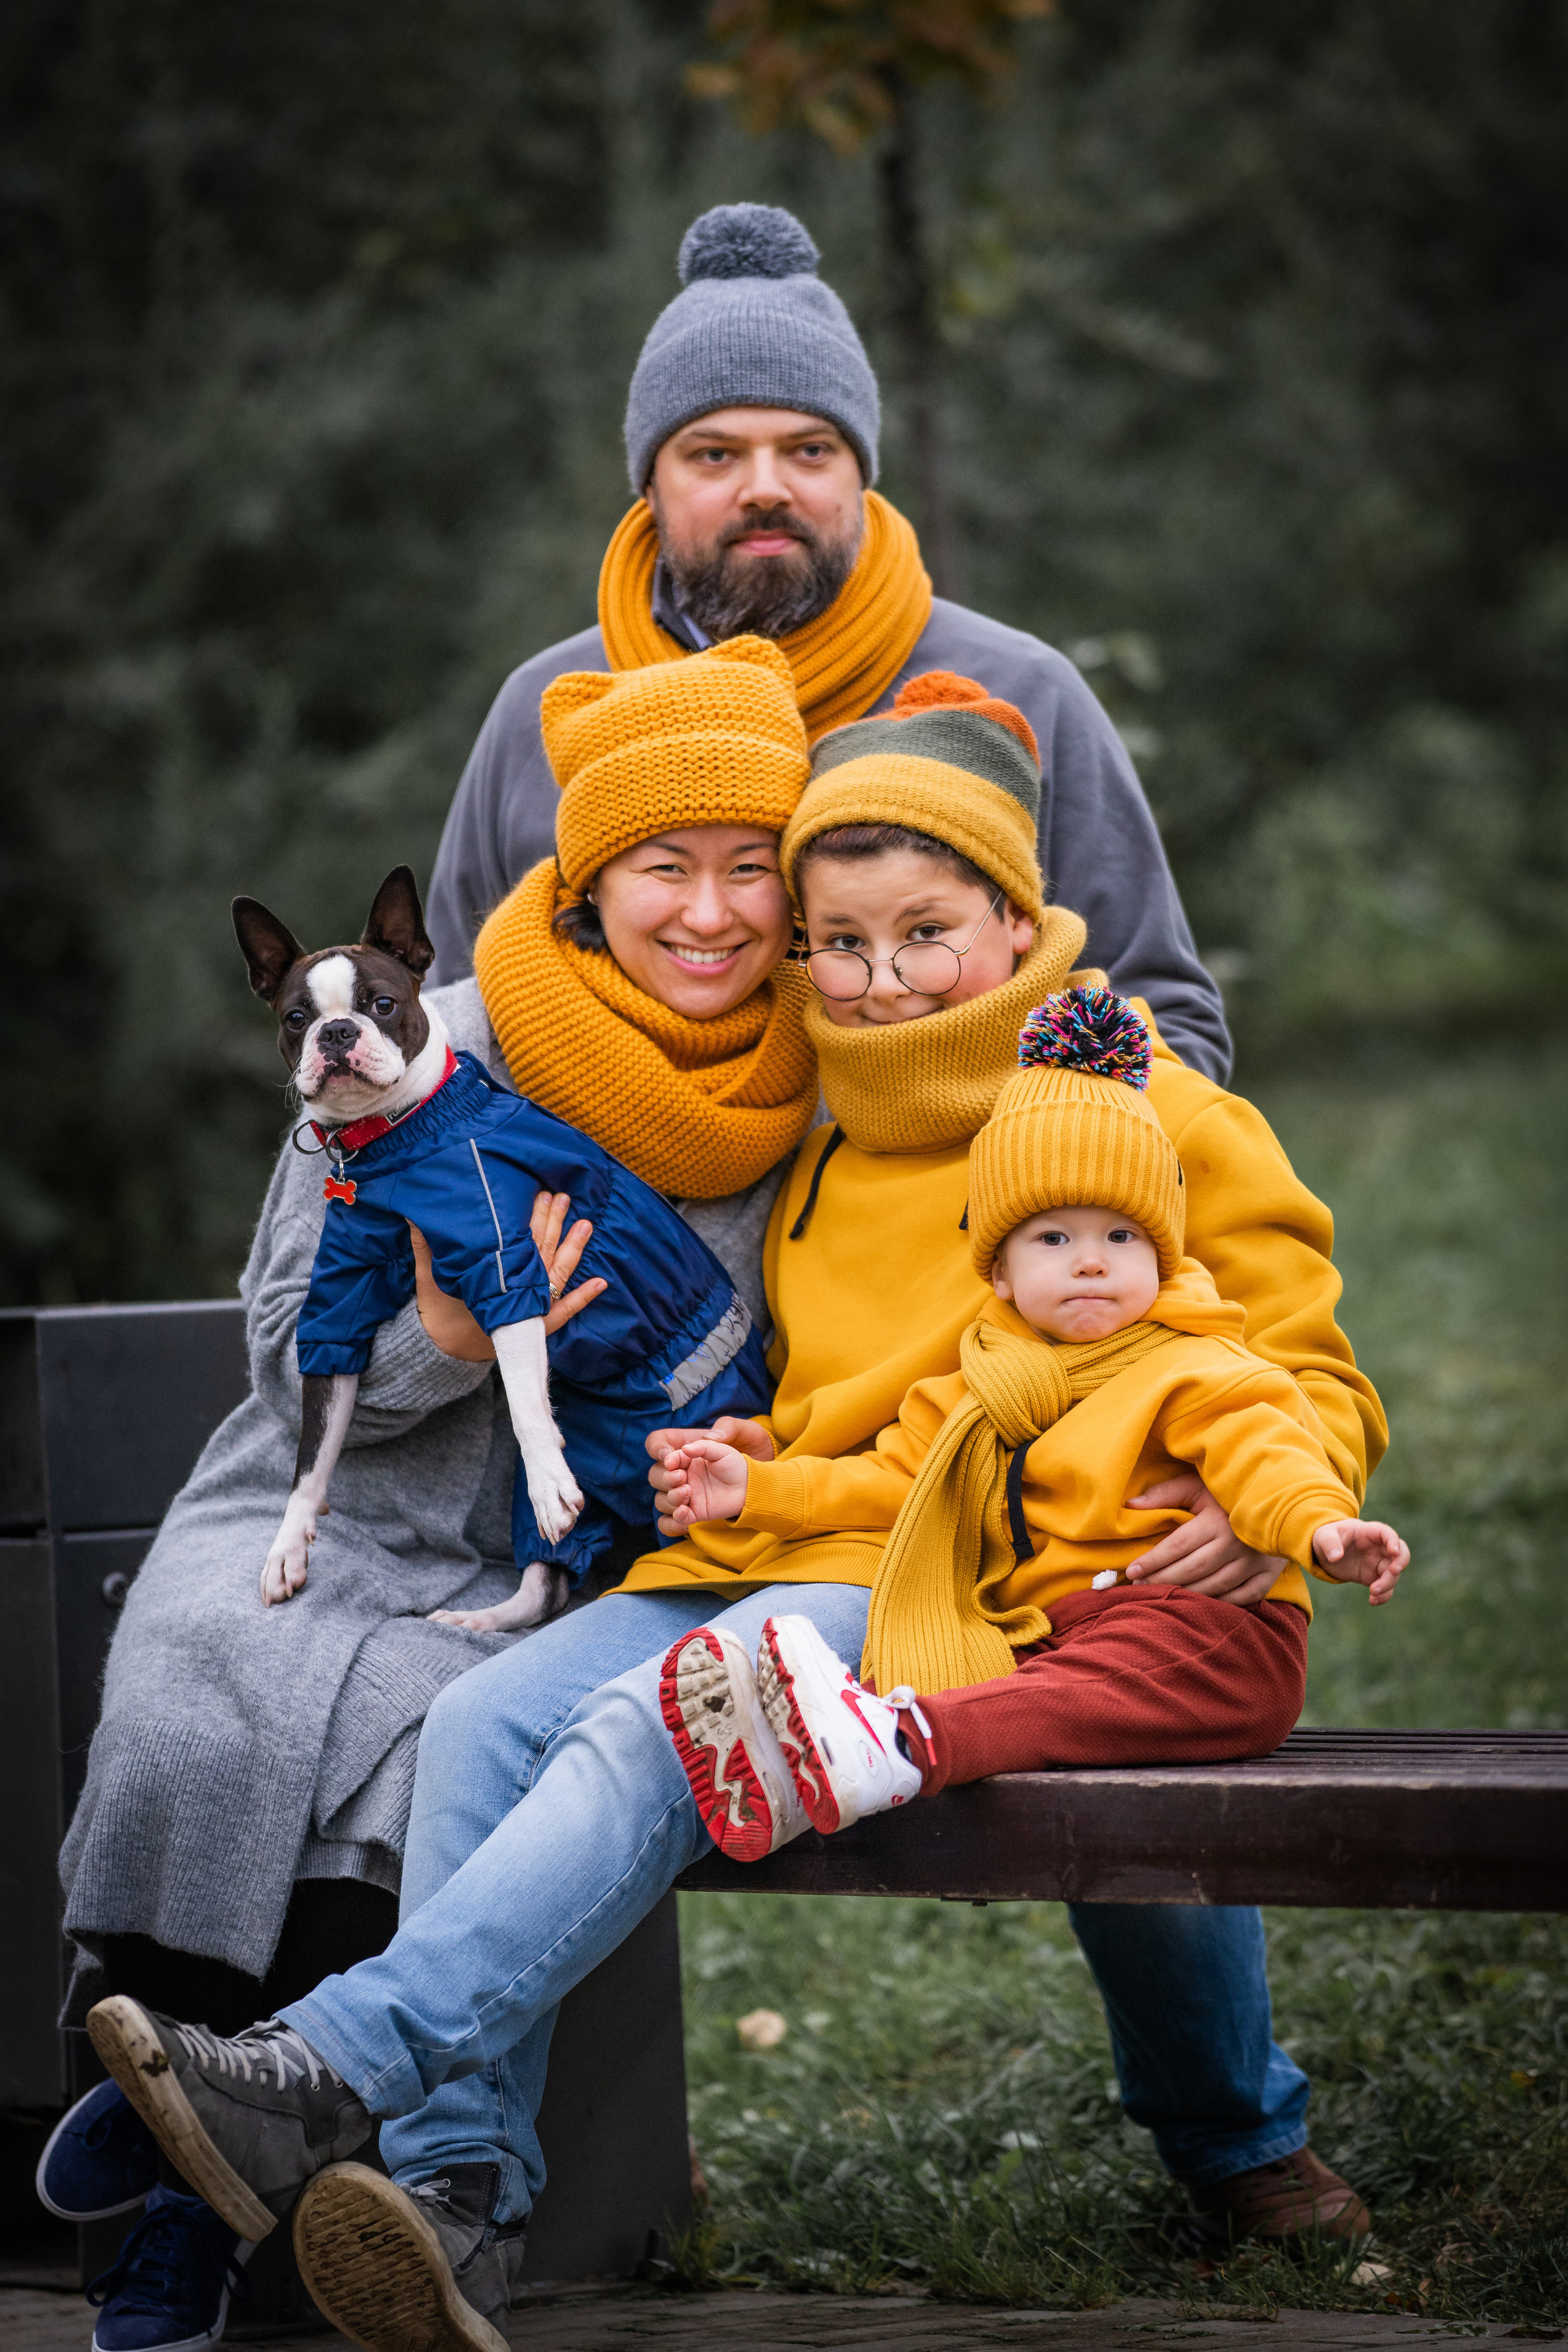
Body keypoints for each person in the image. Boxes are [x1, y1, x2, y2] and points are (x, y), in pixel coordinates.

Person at [85, 681, 1385, 2352]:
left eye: (926, 932)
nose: (878, 976)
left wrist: (1279, 1490)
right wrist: (737, 1455)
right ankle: (457, 2198)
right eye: (836, 943)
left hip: (951, 1573)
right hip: (764, 1538)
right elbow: (813, 1380)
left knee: (661, 1728)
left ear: (1019, 916)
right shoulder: (827, 1131)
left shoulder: (1133, 1100)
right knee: (480, 1725)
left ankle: (333, 2064)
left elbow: (1297, 1350)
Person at [48, 638, 818, 2352]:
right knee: (189, 1693)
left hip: (544, 1548)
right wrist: (450, 1335)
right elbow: (275, 1340)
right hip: (308, 1493)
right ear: (587, 877)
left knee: (405, 1749)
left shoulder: (802, 1093)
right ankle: (176, 2186)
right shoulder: (416, 1031)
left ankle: (200, 2198)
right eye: (658, 868)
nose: (704, 913)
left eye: (748, 868)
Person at [423, 200, 1231, 1086]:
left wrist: (1022, 1189)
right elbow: (450, 1029)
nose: (764, 488)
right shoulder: (548, 707)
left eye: (809, 450)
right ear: (649, 483)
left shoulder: (1019, 692)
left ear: (859, 474)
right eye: (714, 455)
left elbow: (1165, 1015)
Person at [657, 985, 1408, 1855]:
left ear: (1164, 1257)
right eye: (1054, 1240)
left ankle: (892, 1740)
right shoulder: (983, 1386)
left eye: (1122, 1239)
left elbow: (1266, 1452)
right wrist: (760, 1487)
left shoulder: (1191, 1361)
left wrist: (1319, 1528)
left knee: (1125, 1680)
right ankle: (824, 1760)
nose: (1091, 1262)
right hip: (1063, 1630)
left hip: (1209, 1630)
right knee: (1050, 1685)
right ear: (1001, 1275)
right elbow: (889, 1481)